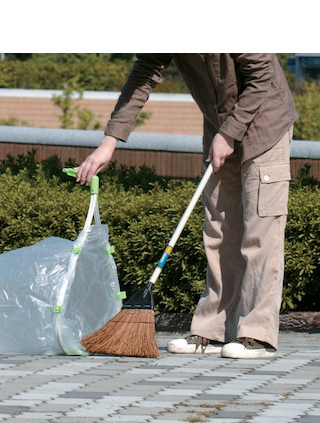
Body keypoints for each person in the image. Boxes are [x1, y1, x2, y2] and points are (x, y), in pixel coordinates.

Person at [75, 54, 298, 359]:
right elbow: (144, 73)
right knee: (219, 231)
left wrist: (229, 133)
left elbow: (262, 75)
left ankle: (257, 335)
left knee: (260, 233)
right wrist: (108, 143)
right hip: (219, 126)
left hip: (265, 126)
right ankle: (213, 330)